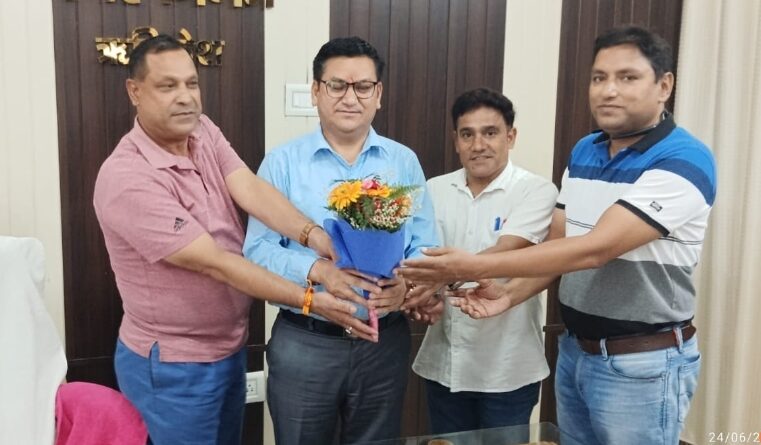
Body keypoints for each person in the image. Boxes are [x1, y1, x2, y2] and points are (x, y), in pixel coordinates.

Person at [399, 26, 716, 445]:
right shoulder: (585, 151)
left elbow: (595, 249)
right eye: (599, 77)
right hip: (577, 351)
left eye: (627, 77)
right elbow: (559, 245)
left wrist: (468, 266)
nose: (609, 90)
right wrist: (508, 294)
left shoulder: (684, 158)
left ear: (664, 85)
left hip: (642, 361)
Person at [93, 34, 377, 445]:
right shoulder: (126, 177)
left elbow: (248, 187)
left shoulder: (202, 130)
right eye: (167, 86)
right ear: (134, 91)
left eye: (191, 83)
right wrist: (310, 299)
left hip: (227, 349)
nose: (185, 97)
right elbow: (217, 263)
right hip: (174, 365)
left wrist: (315, 235)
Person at [242, 36, 438, 445]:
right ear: (316, 91)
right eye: (337, 85)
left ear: (378, 94)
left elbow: (424, 245)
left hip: (383, 343)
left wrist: (406, 285)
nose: (351, 98)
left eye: (363, 86)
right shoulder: (281, 163)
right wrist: (318, 271)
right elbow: (256, 252)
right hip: (306, 340)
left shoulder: (403, 161)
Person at [411, 88, 558, 436]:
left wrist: (439, 279)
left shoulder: (536, 190)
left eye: (490, 133)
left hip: (507, 367)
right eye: (467, 134)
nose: (478, 145)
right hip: (444, 364)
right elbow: (419, 256)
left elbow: (508, 250)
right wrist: (420, 295)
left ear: (511, 137)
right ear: (456, 141)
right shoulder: (434, 189)